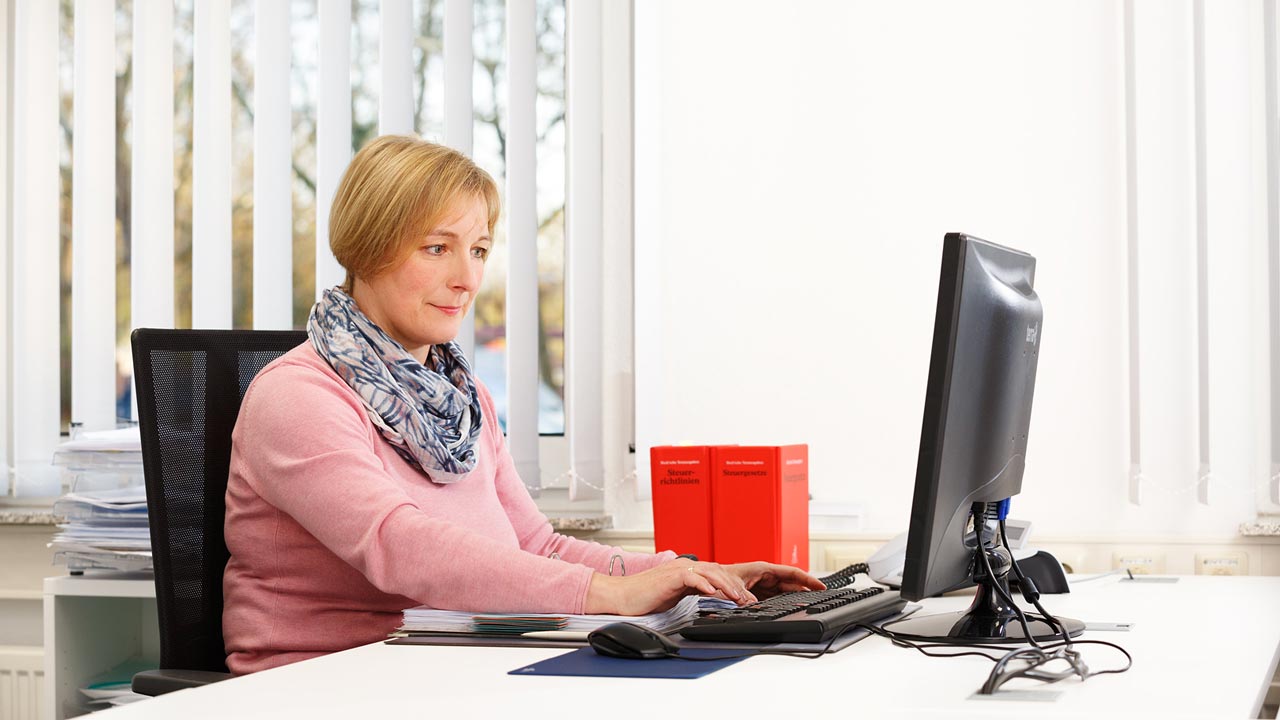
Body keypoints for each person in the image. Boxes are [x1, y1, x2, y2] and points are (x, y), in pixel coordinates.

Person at [221, 135, 823, 674]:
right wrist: (606, 594)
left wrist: (691, 577)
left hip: (447, 669)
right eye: (437, 248)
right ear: (365, 248)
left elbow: (539, 547)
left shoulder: (460, 397)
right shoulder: (298, 395)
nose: (466, 278)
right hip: (321, 683)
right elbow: (396, 547)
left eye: (479, 250)